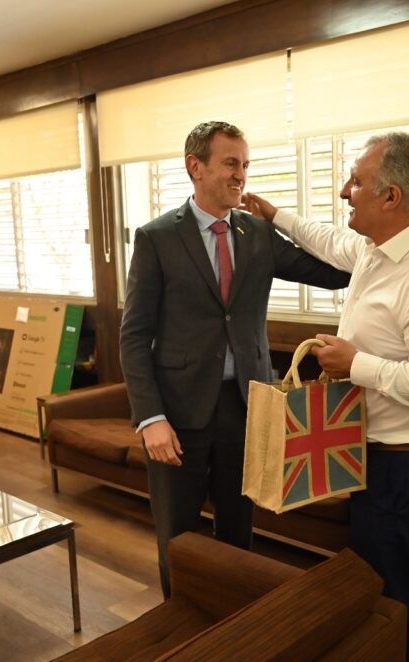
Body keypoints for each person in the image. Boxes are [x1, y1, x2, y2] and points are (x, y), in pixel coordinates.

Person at [242, 131, 409, 662]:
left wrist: (357, 364)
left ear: (391, 196)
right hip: (387, 457)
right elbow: (326, 240)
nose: (346, 191)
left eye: (356, 181)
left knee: (402, 593)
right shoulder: (378, 250)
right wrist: (275, 215)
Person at [120, 121, 351, 599]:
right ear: (195, 166)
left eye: (245, 164)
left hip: (248, 408)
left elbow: (334, 273)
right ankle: (181, 620)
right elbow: (134, 335)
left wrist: (285, 219)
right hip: (177, 413)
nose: (240, 175)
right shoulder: (156, 238)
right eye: (230, 163)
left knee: (239, 528)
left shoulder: (258, 234)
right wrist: (150, 417)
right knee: (179, 534)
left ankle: (235, 622)